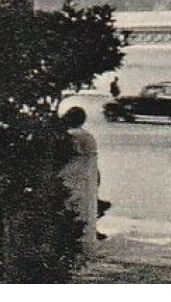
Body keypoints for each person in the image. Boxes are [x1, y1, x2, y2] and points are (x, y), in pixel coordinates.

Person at [59, 106, 101, 250]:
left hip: (69, 177)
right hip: (86, 178)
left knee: (69, 206)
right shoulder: (87, 136)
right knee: (85, 210)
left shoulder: (68, 136)